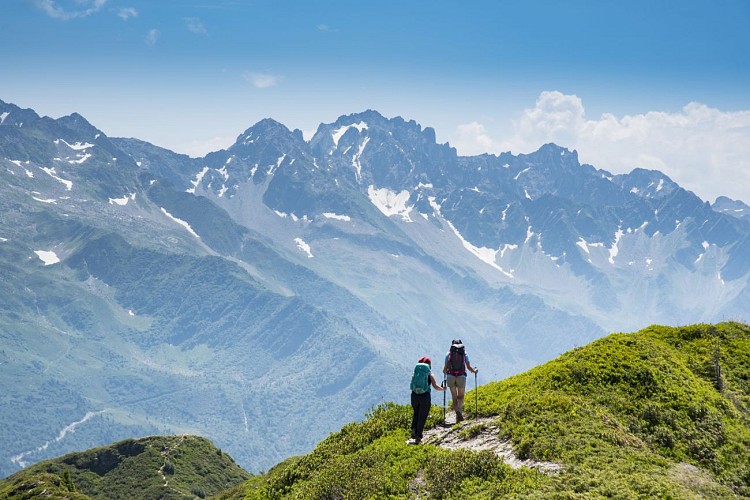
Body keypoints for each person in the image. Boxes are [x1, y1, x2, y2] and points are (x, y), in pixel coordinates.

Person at [409, 356, 446, 444]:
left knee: (416, 413)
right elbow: (435, 386)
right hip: (424, 397)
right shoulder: (430, 374)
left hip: (414, 396)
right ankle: (418, 436)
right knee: (422, 416)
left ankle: (413, 428)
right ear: (429, 364)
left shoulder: (416, 373)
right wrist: (443, 389)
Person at [443, 339, 478, 422]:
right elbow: (469, 367)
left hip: (451, 376)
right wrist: (474, 371)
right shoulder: (464, 353)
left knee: (454, 397)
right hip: (461, 376)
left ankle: (457, 415)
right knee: (461, 396)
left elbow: (445, 369)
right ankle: (459, 411)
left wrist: (445, 372)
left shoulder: (448, 353)